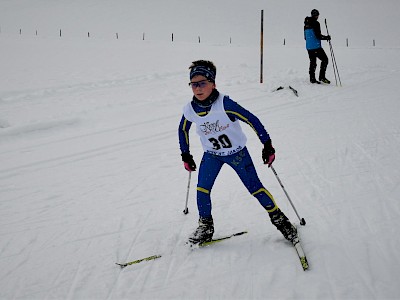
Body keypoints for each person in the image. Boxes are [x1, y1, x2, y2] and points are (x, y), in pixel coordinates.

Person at [178, 60, 297, 245]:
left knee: (255, 188)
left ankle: (281, 220)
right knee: (202, 189)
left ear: (213, 84)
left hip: (237, 154)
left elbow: (252, 120)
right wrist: (185, 154)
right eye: (194, 84)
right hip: (212, 155)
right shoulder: (190, 109)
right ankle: (205, 226)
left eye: (202, 83)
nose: (198, 88)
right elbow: (182, 130)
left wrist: (267, 144)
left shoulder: (225, 104)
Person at [304, 9, 331, 84]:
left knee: (313, 62)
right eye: (318, 15)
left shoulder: (306, 24)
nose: (318, 16)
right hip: (316, 47)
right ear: (316, 15)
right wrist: (326, 37)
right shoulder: (316, 23)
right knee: (325, 60)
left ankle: (312, 79)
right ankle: (322, 77)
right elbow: (318, 36)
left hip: (309, 47)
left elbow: (305, 37)